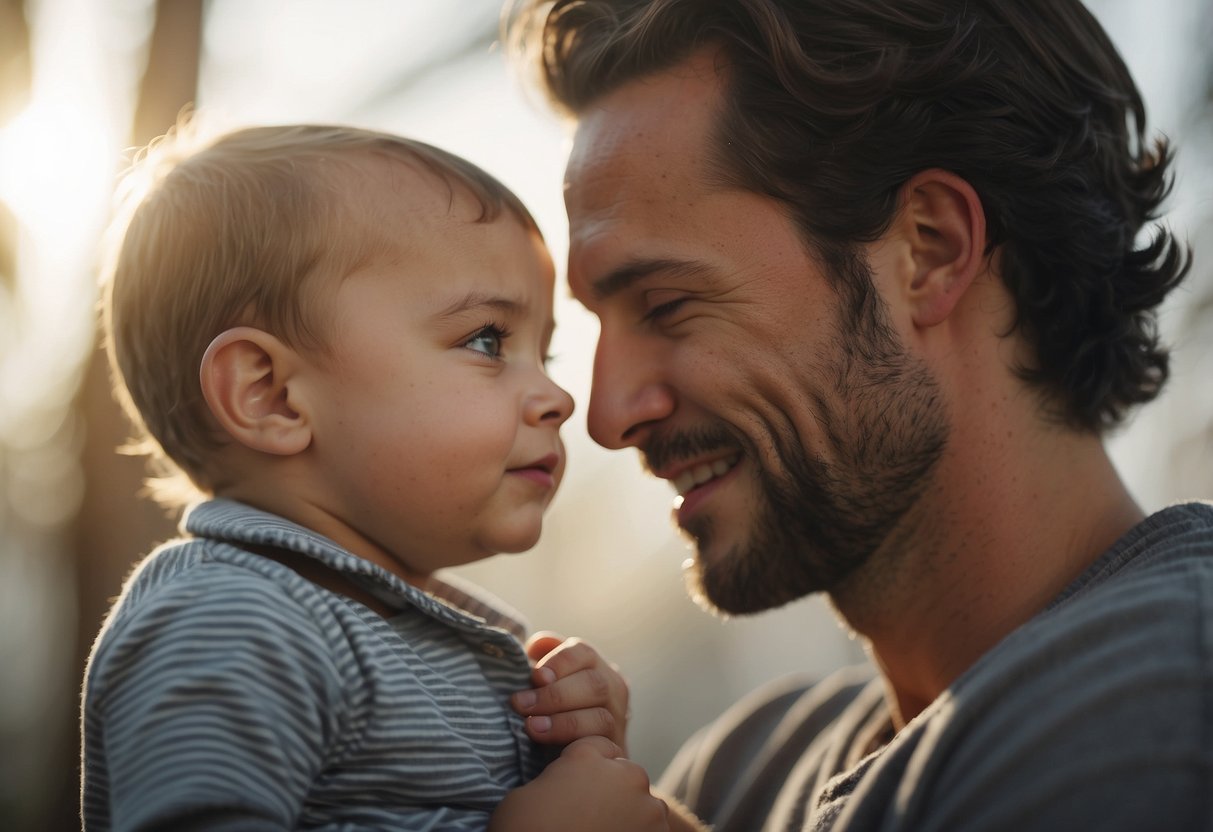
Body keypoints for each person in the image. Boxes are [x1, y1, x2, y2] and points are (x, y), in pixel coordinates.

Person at [508, 0, 1213, 829]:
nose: (606, 416)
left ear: (929, 249)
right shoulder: (743, 771)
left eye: (665, 306)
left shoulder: (1155, 718)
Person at [80, 122, 683, 831]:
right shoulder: (231, 620)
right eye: (487, 340)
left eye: (544, 356)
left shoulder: (425, 637)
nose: (558, 397)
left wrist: (577, 756)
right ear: (269, 394)